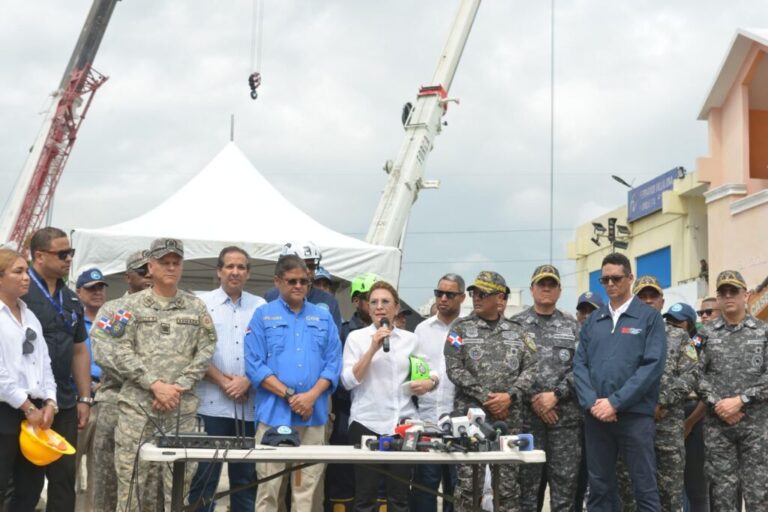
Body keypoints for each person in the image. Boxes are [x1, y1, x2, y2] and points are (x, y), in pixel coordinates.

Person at [92, 238, 217, 511]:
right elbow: (111, 348)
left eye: (176, 262)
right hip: (137, 408)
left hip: (180, 408)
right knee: (132, 482)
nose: (171, 268)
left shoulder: (195, 307)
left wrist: (178, 387)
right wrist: (154, 385)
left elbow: (206, 349)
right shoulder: (124, 309)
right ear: (151, 266)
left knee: (177, 483)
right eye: (164, 262)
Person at [245, 255, 341, 512]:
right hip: (274, 417)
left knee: (305, 496)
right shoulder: (263, 316)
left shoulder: (323, 318)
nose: (298, 286)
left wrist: (310, 397)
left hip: (313, 417)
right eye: (292, 281)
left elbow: (333, 364)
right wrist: (290, 396)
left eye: (304, 281)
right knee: (269, 492)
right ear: (278, 281)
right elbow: (254, 364)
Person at [573, 253, 667, 512]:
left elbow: (652, 366)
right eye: (605, 280)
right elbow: (579, 364)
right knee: (599, 487)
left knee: (644, 487)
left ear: (630, 278)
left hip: (635, 416)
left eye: (616, 278)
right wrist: (593, 403)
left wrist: (615, 402)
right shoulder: (594, 320)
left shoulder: (649, 318)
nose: (610, 284)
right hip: (596, 417)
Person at [342, 280, 439, 512]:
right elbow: (348, 381)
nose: (379, 307)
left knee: (399, 498)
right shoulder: (356, 338)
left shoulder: (410, 340)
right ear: (367, 307)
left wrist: (429, 382)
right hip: (366, 423)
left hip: (403, 425)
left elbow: (430, 372)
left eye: (385, 302)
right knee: (365, 499)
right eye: (374, 302)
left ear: (396, 308)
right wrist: (372, 349)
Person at [444, 271, 537, 511]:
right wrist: (486, 397)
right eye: (475, 293)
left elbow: (532, 369)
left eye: (483, 294)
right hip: (470, 417)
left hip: (510, 418)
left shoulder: (519, 331)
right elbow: (454, 368)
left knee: (507, 485)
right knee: (467, 485)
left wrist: (510, 396)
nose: (476, 298)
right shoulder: (460, 329)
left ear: (499, 298)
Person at [189, 247, 266, 511]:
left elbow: (268, 353)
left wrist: (247, 380)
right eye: (230, 266)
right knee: (205, 477)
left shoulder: (260, 306)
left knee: (245, 479)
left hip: (248, 406)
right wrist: (223, 381)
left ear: (248, 273)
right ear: (219, 271)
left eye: (241, 267)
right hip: (211, 406)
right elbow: (193, 351)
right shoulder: (201, 304)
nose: (235, 272)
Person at [22, 227, 91, 512]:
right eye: (63, 254)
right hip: (24, 401)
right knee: (25, 482)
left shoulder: (72, 298)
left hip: (62, 399)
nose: (69, 259)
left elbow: (79, 349)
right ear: (39, 256)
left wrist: (84, 397)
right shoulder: (21, 292)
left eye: (71, 253)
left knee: (64, 479)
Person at [616, 277, 697, 512]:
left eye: (653, 296)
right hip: (630, 424)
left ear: (662, 301)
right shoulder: (621, 333)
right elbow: (612, 375)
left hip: (667, 428)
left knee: (670, 496)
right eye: (642, 296)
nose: (648, 301)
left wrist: (661, 401)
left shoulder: (679, 336)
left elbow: (691, 375)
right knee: (629, 493)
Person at [696, 270, 768, 510]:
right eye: (723, 292)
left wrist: (741, 400)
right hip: (719, 427)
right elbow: (695, 374)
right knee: (723, 497)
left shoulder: (763, 331)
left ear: (745, 295)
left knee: (759, 495)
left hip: (756, 428)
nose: (728, 296)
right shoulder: (705, 334)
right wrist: (720, 404)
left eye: (733, 291)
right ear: (717, 298)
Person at [513, 265, 580, 512]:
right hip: (527, 421)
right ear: (532, 289)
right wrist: (537, 401)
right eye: (541, 284)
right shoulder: (515, 325)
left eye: (552, 284)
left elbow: (583, 367)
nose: (546, 288)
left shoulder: (572, 327)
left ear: (560, 291)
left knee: (564, 492)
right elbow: (511, 369)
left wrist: (556, 395)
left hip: (564, 422)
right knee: (526, 492)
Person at [88, 252, 150, 512]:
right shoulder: (113, 311)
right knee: (106, 483)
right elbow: (103, 353)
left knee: (150, 485)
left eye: (152, 269)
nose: (149, 274)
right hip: (116, 404)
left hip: (157, 408)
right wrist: (150, 379)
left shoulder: (174, 309)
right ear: (128, 277)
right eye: (141, 270)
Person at [0, 248, 58, 511]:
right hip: (6, 409)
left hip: (34, 410)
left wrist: (50, 402)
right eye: (18, 271)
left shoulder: (30, 316)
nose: (26, 278)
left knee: (30, 488)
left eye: (27, 271)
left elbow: (44, 363)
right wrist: (28, 407)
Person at [410, 273, 465, 512]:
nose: (443, 298)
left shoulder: (469, 328)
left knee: (457, 486)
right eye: (439, 293)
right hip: (428, 419)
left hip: (460, 421)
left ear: (462, 297)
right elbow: (418, 369)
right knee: (426, 485)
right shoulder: (422, 329)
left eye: (449, 294)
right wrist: (426, 380)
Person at [327, 272, 380, 512]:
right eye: (371, 299)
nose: (376, 305)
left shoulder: (392, 333)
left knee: (378, 479)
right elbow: (338, 376)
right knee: (342, 476)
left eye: (381, 299)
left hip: (380, 415)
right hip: (346, 413)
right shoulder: (344, 332)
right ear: (357, 301)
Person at [664, 303, 708, 512]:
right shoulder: (662, 344)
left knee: (696, 485)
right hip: (669, 414)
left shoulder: (702, 346)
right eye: (669, 320)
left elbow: (708, 391)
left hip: (695, 414)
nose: (672, 324)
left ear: (689, 324)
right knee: (671, 486)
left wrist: (689, 423)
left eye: (678, 321)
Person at [73, 268, 108, 500]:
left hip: (106, 399)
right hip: (79, 400)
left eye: (100, 288)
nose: (97, 292)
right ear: (79, 291)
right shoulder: (72, 319)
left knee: (101, 470)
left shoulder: (113, 322)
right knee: (69, 468)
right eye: (91, 288)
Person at [264, 241, 342, 331]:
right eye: (303, 265)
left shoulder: (328, 300)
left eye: (312, 266)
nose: (308, 271)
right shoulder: (271, 296)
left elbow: (334, 340)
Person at [573, 290, 603, 512]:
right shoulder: (569, 338)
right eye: (582, 310)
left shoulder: (608, 339)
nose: (586, 315)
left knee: (599, 478)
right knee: (574, 479)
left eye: (591, 310)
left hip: (600, 417)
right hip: (570, 421)